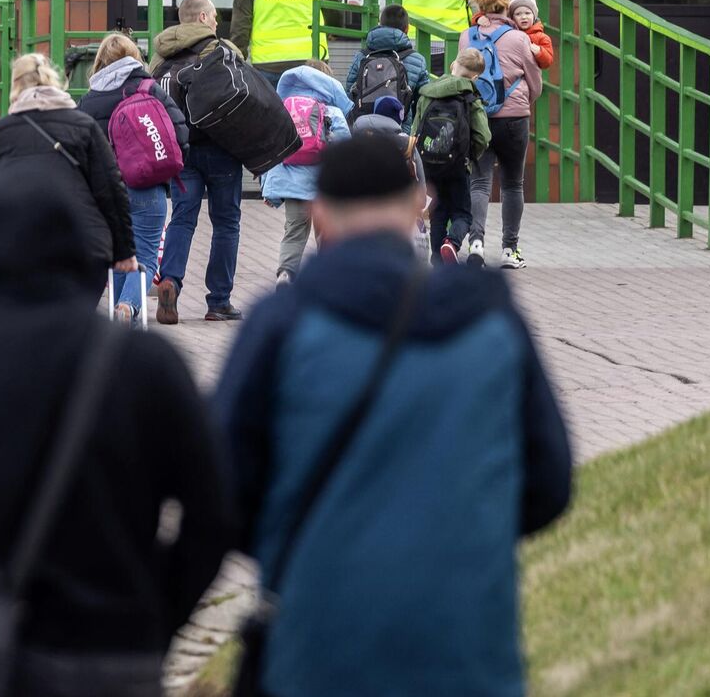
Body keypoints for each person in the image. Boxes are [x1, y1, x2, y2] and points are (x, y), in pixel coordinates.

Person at [211, 134, 572, 697]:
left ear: (321, 217)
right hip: (467, 648)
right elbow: (549, 485)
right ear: (418, 205)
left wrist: (301, 543)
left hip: (319, 647)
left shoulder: (280, 326)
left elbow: (224, 489)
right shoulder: (491, 320)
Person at [0, 170, 233, 697]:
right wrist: (160, 611)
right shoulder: (146, 367)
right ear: (78, 250)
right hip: (116, 653)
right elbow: (213, 509)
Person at [0, 53, 135, 294]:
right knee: (76, 327)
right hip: (83, 246)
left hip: (17, 248)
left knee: (24, 326)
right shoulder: (84, 125)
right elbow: (111, 188)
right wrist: (124, 251)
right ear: (53, 80)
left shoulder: (0, 132)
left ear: (16, 84)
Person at [149, 0, 247, 325]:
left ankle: (171, 281)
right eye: (215, 17)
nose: (218, 23)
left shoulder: (160, 55)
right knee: (226, 224)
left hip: (182, 152)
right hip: (221, 150)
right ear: (203, 17)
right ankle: (218, 301)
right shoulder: (223, 50)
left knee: (182, 219)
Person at [78, 33, 189, 322]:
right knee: (147, 254)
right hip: (147, 185)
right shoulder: (148, 88)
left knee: (117, 254)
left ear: (100, 60)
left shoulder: (90, 99)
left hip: (107, 191)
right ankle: (127, 306)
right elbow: (178, 131)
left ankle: (120, 313)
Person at [461, 0, 544, 269]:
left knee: (480, 183)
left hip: (479, 117)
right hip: (514, 119)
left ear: (480, 7)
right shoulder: (519, 39)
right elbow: (536, 83)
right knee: (512, 184)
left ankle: (476, 243)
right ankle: (510, 250)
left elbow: (462, 77)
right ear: (505, 6)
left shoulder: (467, 37)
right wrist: (520, 102)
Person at [264, 62, 352, 285]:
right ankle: (326, 278)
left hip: (293, 188)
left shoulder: (283, 110)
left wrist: (270, 190)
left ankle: (285, 274)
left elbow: (271, 152)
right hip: (324, 187)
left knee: (294, 231)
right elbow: (345, 151)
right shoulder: (332, 111)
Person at [412, 50, 493, 266]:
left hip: (428, 164)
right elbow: (484, 136)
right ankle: (452, 242)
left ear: (452, 65)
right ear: (475, 77)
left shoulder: (427, 94)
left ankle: (438, 260)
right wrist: (468, 155)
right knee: (463, 214)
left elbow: (415, 129)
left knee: (437, 213)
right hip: (457, 165)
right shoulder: (470, 97)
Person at [344, 4, 431, 119]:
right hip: (400, 129)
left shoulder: (361, 56)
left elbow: (350, 91)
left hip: (363, 126)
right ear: (407, 29)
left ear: (380, 25)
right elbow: (423, 101)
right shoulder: (417, 59)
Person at [509, 0, 557, 69]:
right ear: (512, 18)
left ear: (534, 16)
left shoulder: (542, 37)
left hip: (531, 78)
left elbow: (548, 62)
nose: (523, 17)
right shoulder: (509, 33)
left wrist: (540, 52)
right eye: (518, 14)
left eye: (527, 13)